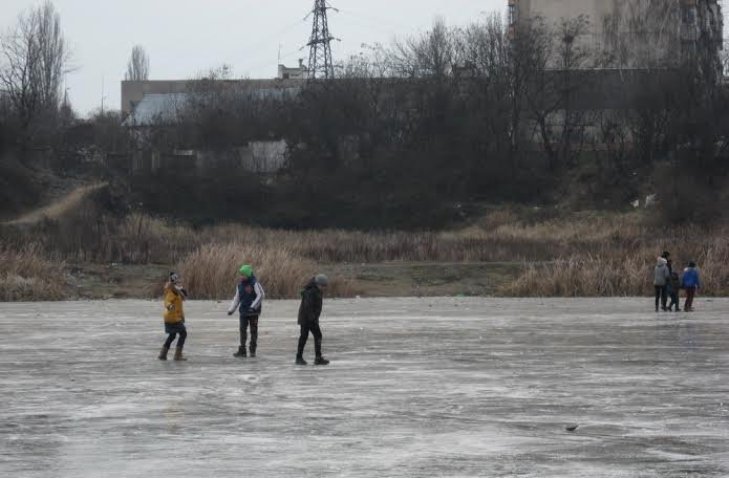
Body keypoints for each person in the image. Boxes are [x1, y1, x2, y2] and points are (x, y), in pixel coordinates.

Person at [227, 264, 265, 358]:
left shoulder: (254, 283)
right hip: (243, 311)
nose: (241, 276)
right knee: (242, 330)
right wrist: (231, 309)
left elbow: (261, 295)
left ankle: (252, 350)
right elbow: (237, 298)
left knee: (253, 331)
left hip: (253, 312)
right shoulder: (240, 285)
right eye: (240, 274)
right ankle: (242, 350)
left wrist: (253, 307)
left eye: (243, 274)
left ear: (247, 274)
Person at [296, 274, 330, 366]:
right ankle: (304, 358)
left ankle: (303, 357)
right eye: (323, 286)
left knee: (307, 336)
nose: (323, 288)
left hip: (310, 318)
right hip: (307, 318)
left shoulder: (317, 290)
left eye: (324, 286)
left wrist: (315, 318)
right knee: (315, 336)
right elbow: (308, 307)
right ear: (318, 284)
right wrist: (313, 319)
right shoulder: (311, 292)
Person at [159, 272, 188, 361]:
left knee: (172, 335)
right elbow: (167, 302)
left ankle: (163, 354)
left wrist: (182, 317)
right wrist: (170, 306)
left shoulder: (176, 292)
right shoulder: (171, 292)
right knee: (183, 333)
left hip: (171, 317)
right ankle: (177, 355)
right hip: (172, 317)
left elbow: (180, 304)